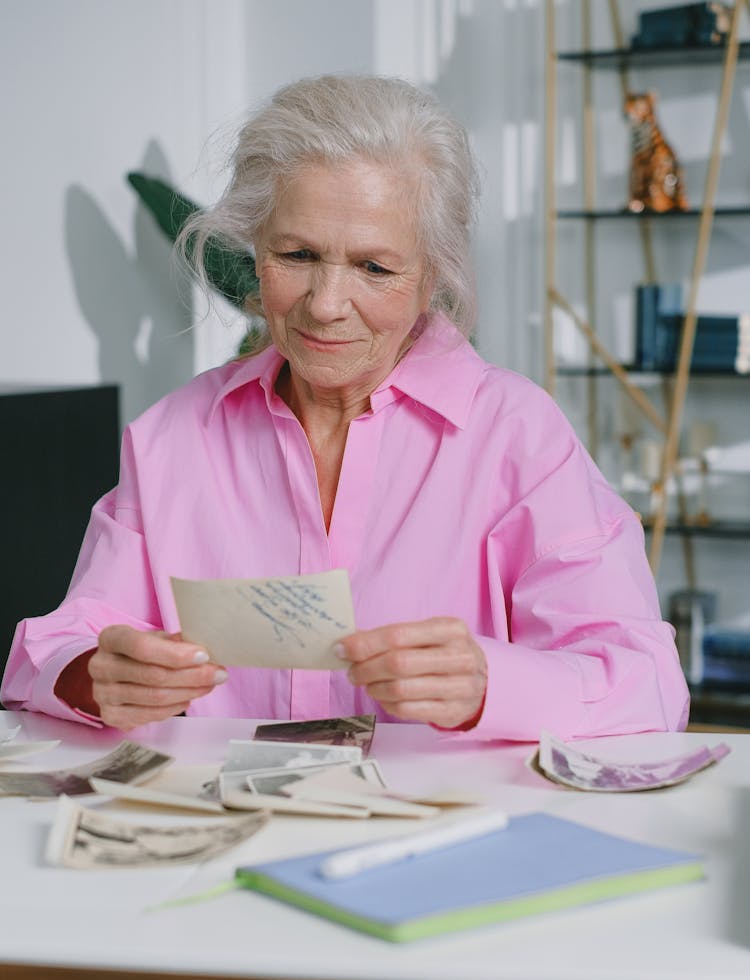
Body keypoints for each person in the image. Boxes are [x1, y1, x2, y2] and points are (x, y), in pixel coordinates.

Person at [1, 75, 689, 740]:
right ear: (257, 253)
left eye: (375, 268)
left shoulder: (519, 437)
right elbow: (49, 652)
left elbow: (649, 683)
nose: (326, 305)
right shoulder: (174, 436)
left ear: (431, 278)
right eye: (297, 254)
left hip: (445, 838)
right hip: (230, 833)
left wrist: (490, 683)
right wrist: (94, 677)